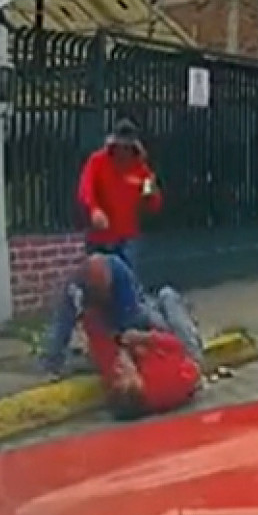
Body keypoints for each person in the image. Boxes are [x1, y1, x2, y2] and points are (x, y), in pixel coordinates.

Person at [40, 254, 204, 417]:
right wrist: (142, 339)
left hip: (141, 334)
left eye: (118, 376)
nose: (120, 371)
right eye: (122, 376)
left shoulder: (130, 377)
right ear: (136, 385)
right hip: (175, 348)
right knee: (166, 298)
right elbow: (174, 344)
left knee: (154, 305)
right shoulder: (162, 378)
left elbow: (108, 347)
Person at [77, 117, 163, 277]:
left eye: (127, 148)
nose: (122, 152)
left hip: (127, 239)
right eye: (119, 147)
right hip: (100, 238)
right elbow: (85, 188)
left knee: (126, 281)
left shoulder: (141, 171)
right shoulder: (98, 161)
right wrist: (94, 209)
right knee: (98, 283)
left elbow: (153, 205)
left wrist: (152, 192)